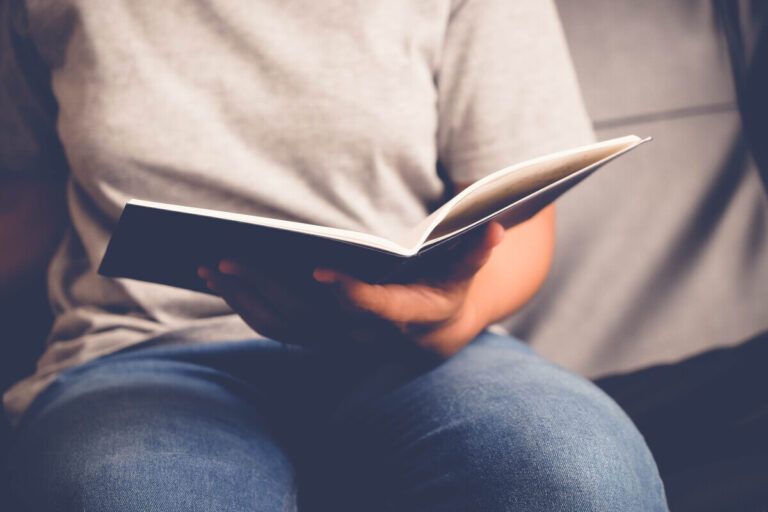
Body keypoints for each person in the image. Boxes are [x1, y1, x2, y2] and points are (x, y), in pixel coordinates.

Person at [0, 0, 668, 510]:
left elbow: (522, 220)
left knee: (576, 476)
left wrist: (447, 316)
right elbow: (28, 205)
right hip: (142, 351)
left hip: (424, 351)